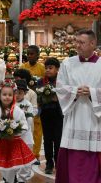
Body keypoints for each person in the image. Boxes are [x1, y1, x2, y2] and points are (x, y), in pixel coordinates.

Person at [55, 30, 101, 183]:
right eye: (76, 42)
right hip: (74, 116)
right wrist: (74, 91)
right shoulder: (68, 63)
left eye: (81, 42)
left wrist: (93, 93)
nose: (77, 45)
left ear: (93, 44)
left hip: (95, 118)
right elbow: (60, 88)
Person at [0, 79, 35, 183]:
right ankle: (8, 179)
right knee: (3, 167)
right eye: (4, 94)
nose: (7, 97)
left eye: (10, 95)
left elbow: (24, 125)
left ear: (13, 96)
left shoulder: (18, 110)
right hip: (0, 143)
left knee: (14, 167)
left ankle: (13, 180)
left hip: (14, 143)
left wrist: (15, 131)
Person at [20, 45, 45, 165]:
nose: (29, 56)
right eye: (28, 54)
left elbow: (45, 84)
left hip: (37, 101)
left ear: (38, 55)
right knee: (24, 127)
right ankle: (24, 153)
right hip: (24, 101)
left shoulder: (42, 68)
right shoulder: (23, 67)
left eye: (32, 54)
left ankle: (35, 154)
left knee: (37, 129)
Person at [37, 57, 63, 175]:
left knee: (58, 139)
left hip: (58, 114)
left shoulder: (62, 81)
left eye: (51, 68)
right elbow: (38, 97)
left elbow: (65, 96)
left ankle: (58, 162)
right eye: (46, 68)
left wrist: (56, 98)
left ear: (57, 69)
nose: (48, 70)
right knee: (47, 139)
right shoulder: (41, 82)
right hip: (46, 113)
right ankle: (49, 163)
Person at [15, 79, 35, 182]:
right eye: (15, 92)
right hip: (13, 138)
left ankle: (23, 179)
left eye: (20, 93)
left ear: (25, 93)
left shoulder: (28, 105)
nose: (17, 95)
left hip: (26, 137)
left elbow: (29, 121)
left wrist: (21, 130)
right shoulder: (9, 104)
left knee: (26, 160)